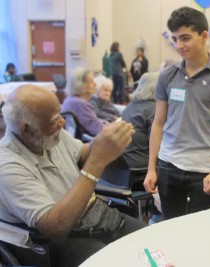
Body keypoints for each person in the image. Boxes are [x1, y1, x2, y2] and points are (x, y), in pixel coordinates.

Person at [0, 84, 145, 267]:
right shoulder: (7, 166)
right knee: (117, 262)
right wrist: (98, 161)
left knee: (150, 240)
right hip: (56, 240)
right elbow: (56, 228)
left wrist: (104, 140)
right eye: (54, 119)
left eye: (60, 114)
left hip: (91, 214)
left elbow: (82, 153)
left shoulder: (49, 135)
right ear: (26, 129)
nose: (62, 122)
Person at [143, 7, 210, 220]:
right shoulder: (167, 76)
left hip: (204, 169)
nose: (179, 45)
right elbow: (158, 123)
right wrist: (152, 168)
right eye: (175, 39)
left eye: (185, 38)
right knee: (170, 224)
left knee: (203, 227)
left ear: (204, 36)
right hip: (168, 165)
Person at [122, 72, 162, 224]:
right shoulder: (153, 109)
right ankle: (159, 215)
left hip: (123, 170)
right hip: (140, 172)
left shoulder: (129, 107)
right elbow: (160, 143)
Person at [61, 68, 106, 136]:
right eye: (91, 81)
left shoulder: (70, 100)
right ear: (81, 84)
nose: (95, 84)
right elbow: (99, 130)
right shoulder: (80, 104)